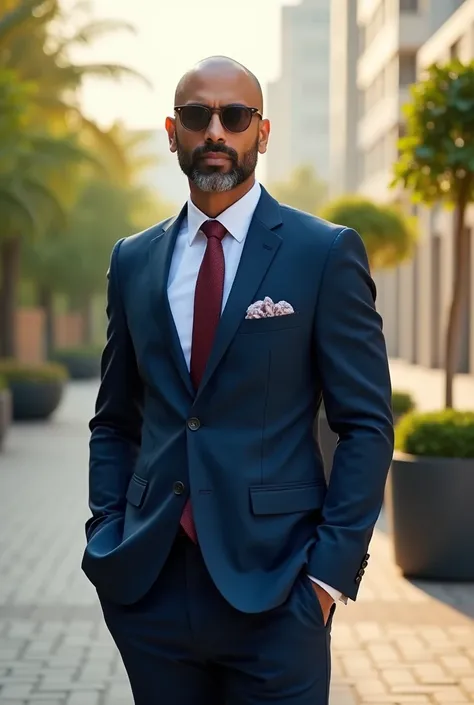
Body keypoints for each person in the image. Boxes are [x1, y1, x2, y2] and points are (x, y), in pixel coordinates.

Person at [82, 55, 394, 705]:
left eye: (235, 116)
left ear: (263, 130)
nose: (216, 131)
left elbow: (364, 425)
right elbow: (115, 419)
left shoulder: (322, 253)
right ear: (173, 132)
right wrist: (106, 535)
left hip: (280, 592)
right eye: (198, 117)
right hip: (152, 587)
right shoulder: (134, 259)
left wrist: (327, 580)